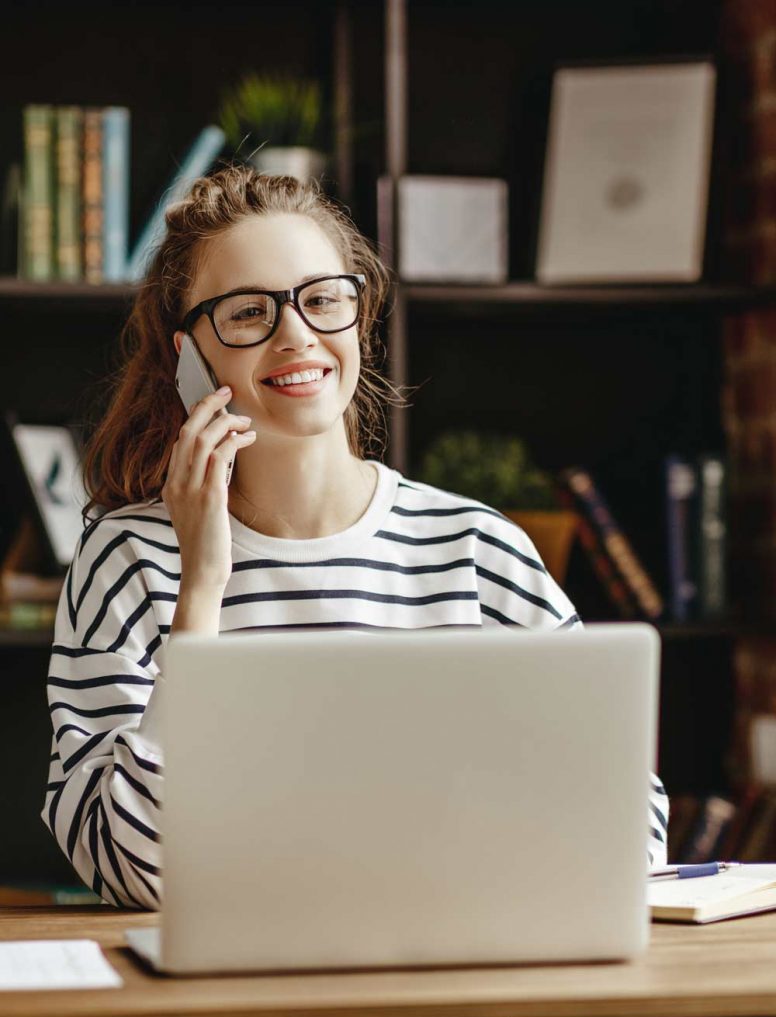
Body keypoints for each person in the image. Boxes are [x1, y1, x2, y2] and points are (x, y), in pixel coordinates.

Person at [42, 164, 669, 911]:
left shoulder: (476, 548)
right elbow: (133, 870)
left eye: (323, 300)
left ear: (360, 317)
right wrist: (202, 588)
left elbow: (631, 831)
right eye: (248, 312)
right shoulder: (128, 560)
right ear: (189, 355)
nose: (297, 335)